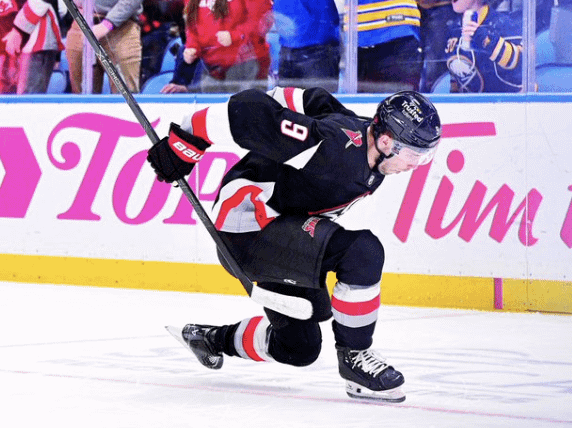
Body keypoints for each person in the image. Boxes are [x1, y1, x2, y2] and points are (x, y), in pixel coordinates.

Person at [148, 85, 442, 404]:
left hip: (282, 230)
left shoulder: (362, 138)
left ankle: (209, 339)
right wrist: (185, 143)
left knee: (299, 347)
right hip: (247, 228)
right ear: (386, 141)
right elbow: (248, 110)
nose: (416, 164)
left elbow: (304, 98)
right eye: (414, 154)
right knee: (362, 252)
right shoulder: (329, 147)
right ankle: (355, 357)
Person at [442, 0, 524, 93]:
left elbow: (521, 63)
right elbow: (456, 77)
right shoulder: (454, 30)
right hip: (473, 102)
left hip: (510, 101)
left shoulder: (502, 23)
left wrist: (487, 40)